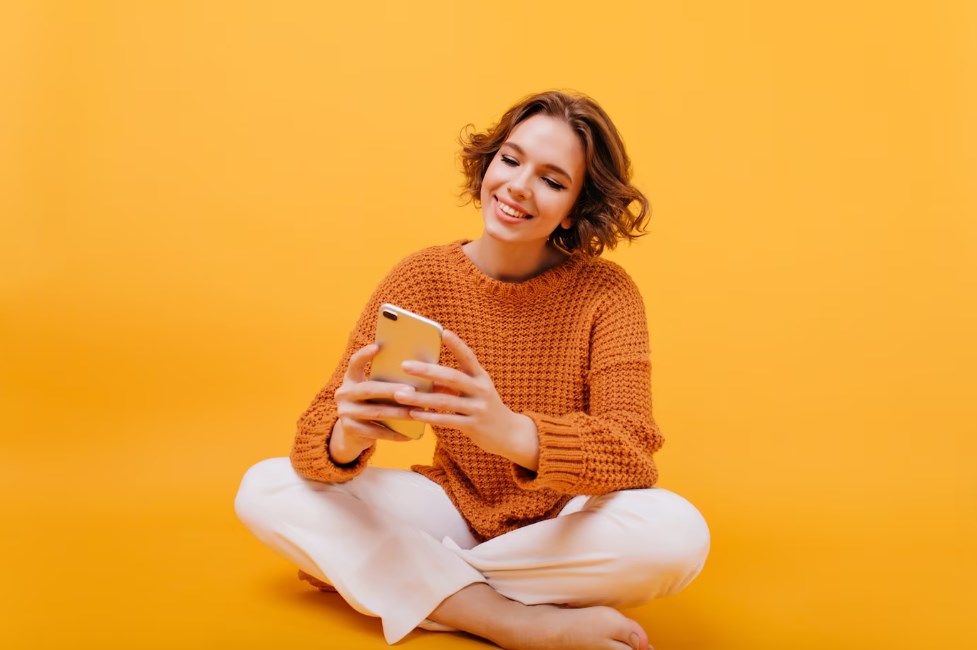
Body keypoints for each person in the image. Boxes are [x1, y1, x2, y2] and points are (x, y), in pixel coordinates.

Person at [235, 90, 710, 650]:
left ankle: (401, 576)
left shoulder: (607, 295)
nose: (517, 187)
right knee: (264, 487)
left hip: (567, 526)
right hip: (452, 508)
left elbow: (632, 448)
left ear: (578, 207)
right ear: (489, 163)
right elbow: (313, 437)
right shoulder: (421, 279)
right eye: (510, 160)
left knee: (678, 535)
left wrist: (510, 432)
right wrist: (347, 434)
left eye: (553, 181)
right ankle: (514, 620)